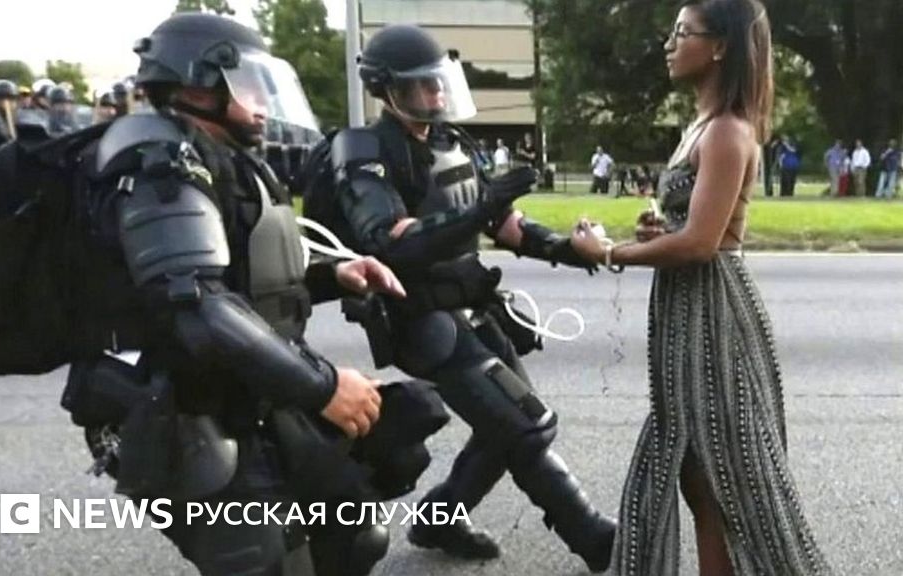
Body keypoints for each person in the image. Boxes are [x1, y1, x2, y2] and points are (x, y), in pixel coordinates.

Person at [0, 13, 435, 575]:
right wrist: (323, 387)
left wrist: (331, 275)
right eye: (249, 83)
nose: (263, 100)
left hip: (240, 389)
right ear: (198, 86)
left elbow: (237, 280)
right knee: (260, 560)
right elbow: (197, 304)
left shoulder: (220, 157)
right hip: (174, 405)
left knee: (351, 534)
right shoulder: (156, 164)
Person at [328, 23, 616, 572]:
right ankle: (596, 539)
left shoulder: (452, 142)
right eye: (420, 85)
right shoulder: (364, 150)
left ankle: (438, 520)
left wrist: (568, 250)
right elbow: (392, 240)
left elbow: (504, 223)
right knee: (524, 425)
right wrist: (480, 210)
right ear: (386, 89)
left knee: (503, 426)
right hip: (421, 318)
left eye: (438, 82)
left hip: (473, 309)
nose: (434, 93)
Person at [570, 2, 832, 574]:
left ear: (719, 47)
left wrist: (609, 252)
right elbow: (689, 229)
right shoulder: (702, 127)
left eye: (682, 32)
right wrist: (659, 230)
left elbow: (700, 244)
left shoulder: (728, 132)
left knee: (726, 479)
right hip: (687, 309)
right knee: (696, 475)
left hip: (714, 314)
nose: (669, 43)